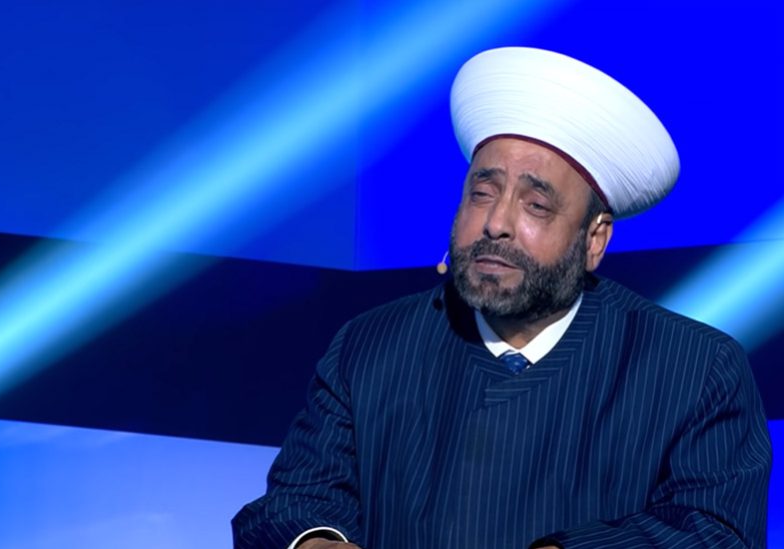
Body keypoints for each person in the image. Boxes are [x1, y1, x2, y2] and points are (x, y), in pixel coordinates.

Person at [232, 47, 772, 549]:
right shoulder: (370, 346)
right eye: (482, 193)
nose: (495, 223)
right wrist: (315, 542)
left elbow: (714, 531)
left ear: (594, 239)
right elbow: (294, 502)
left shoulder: (696, 368)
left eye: (536, 205)